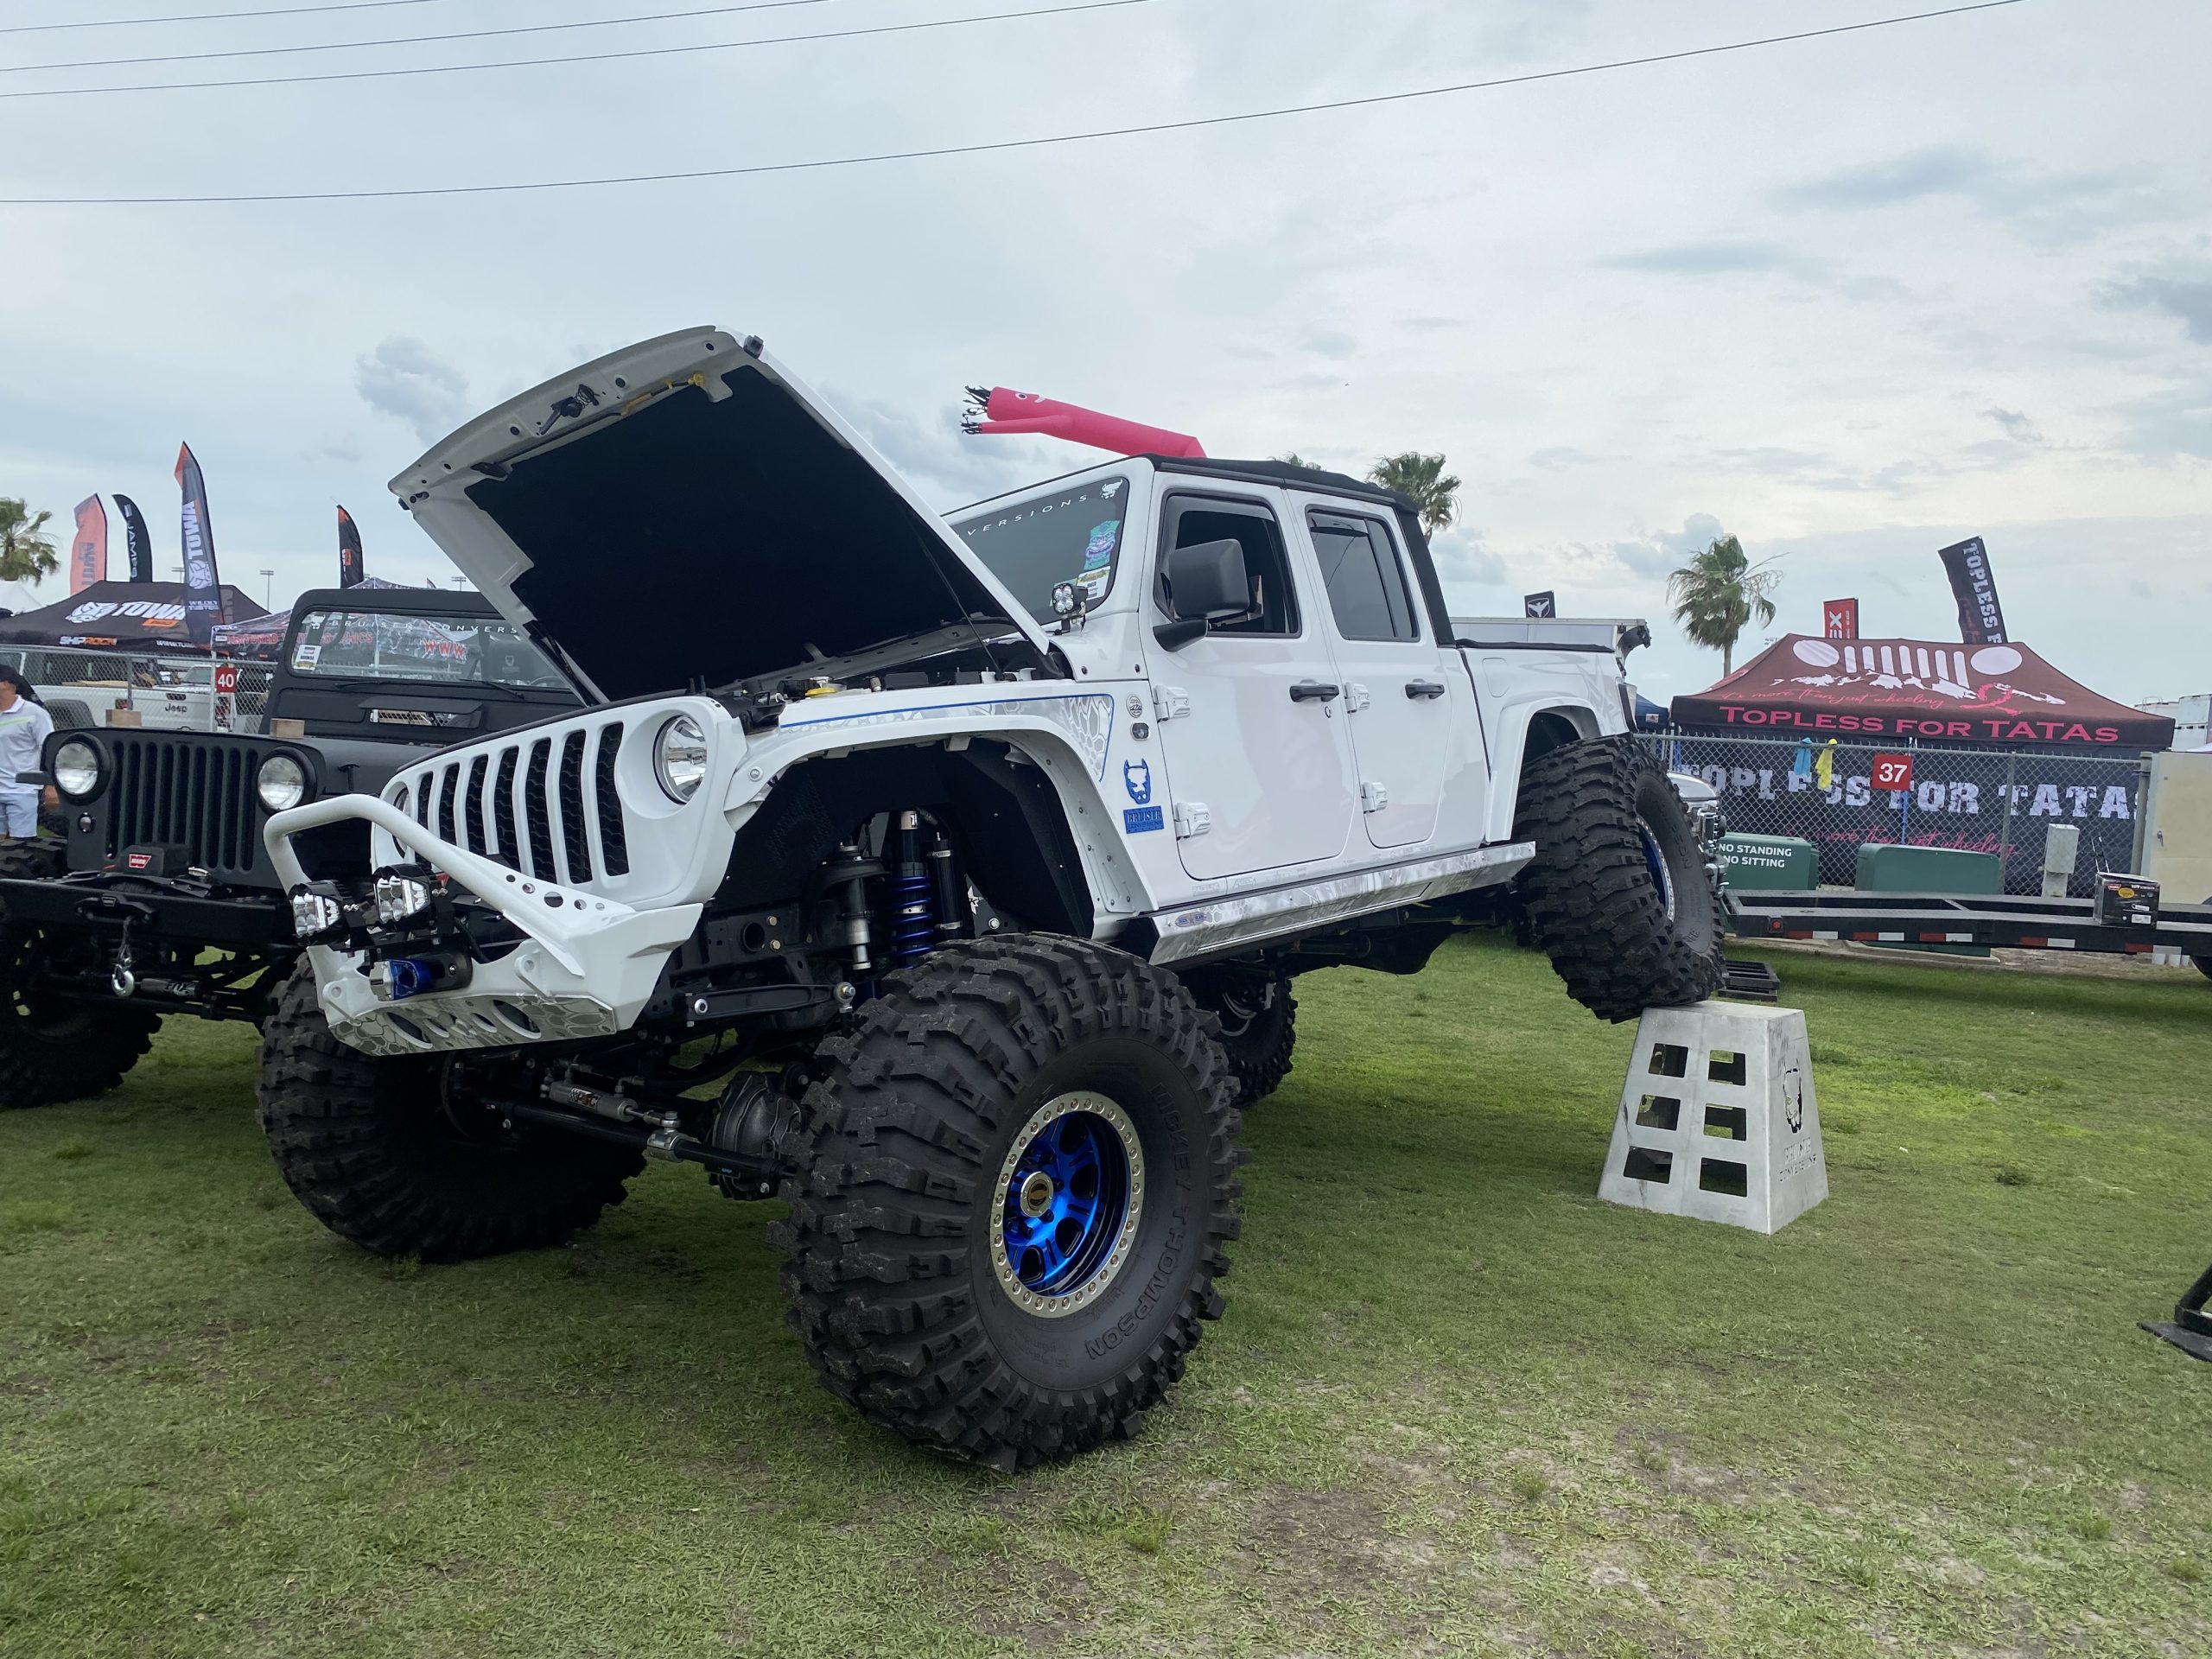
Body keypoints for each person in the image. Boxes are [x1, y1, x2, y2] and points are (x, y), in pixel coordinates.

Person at [0, 669, 57, 842]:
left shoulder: (35, 714)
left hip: (22, 791)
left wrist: (51, 786)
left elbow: (50, 748)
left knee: (21, 845)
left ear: (6, 684)